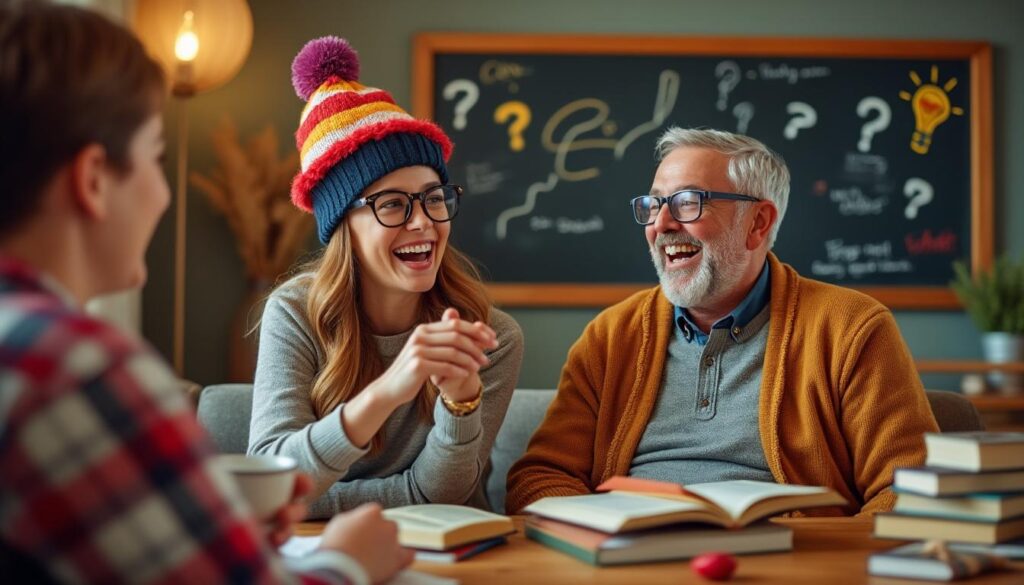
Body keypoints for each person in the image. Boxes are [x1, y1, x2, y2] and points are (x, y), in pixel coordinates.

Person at [0, 3, 409, 583]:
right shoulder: (72, 366)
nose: (163, 195)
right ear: (92, 180)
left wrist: (214, 533)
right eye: (156, 158)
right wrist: (347, 562)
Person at [506, 127, 939, 516]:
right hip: (631, 557)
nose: (661, 224)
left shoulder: (852, 329)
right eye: (655, 204)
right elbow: (540, 477)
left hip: (785, 558)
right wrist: (599, 527)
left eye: (688, 203)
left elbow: (910, 489)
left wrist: (821, 555)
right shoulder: (611, 335)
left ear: (758, 223)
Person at [247, 36, 524, 517]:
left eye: (433, 198)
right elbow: (273, 481)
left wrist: (460, 403)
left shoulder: (487, 337)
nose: (423, 222)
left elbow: (443, 494)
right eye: (392, 204)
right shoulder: (294, 314)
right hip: (320, 550)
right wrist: (388, 390)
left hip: (448, 550)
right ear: (344, 226)